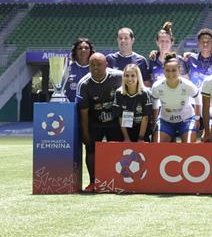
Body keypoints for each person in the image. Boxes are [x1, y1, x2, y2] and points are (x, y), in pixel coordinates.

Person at [76, 53, 123, 192]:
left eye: (99, 64)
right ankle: (92, 182)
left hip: (116, 122)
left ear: (106, 65)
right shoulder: (84, 84)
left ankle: (118, 181)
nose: (96, 68)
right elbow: (83, 112)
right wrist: (85, 133)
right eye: (92, 65)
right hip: (94, 121)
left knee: (117, 150)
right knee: (90, 149)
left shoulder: (119, 77)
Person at [150, 53, 200, 143]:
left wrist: (197, 118)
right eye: (167, 70)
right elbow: (155, 104)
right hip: (165, 121)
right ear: (163, 71)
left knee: (189, 146)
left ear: (179, 70)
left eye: (174, 70)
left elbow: (198, 100)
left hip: (186, 120)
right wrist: (154, 121)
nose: (171, 73)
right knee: (157, 146)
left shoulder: (188, 85)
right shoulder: (157, 86)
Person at [112, 63, 153, 143]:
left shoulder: (145, 93)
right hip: (126, 130)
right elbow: (120, 117)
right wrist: (126, 138)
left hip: (142, 130)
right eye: (126, 76)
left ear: (138, 77)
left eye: (133, 75)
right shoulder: (118, 93)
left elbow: (145, 118)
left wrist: (141, 138)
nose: (129, 79)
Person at [185, 28, 212, 99]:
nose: (205, 44)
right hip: (194, 99)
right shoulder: (190, 59)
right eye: (202, 42)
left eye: (208, 42)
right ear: (198, 43)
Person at [65, 37, 94, 102]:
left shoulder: (95, 68)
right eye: (80, 48)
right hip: (71, 108)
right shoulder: (68, 69)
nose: (83, 50)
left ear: (90, 50)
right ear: (75, 51)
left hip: (90, 109)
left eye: (86, 48)